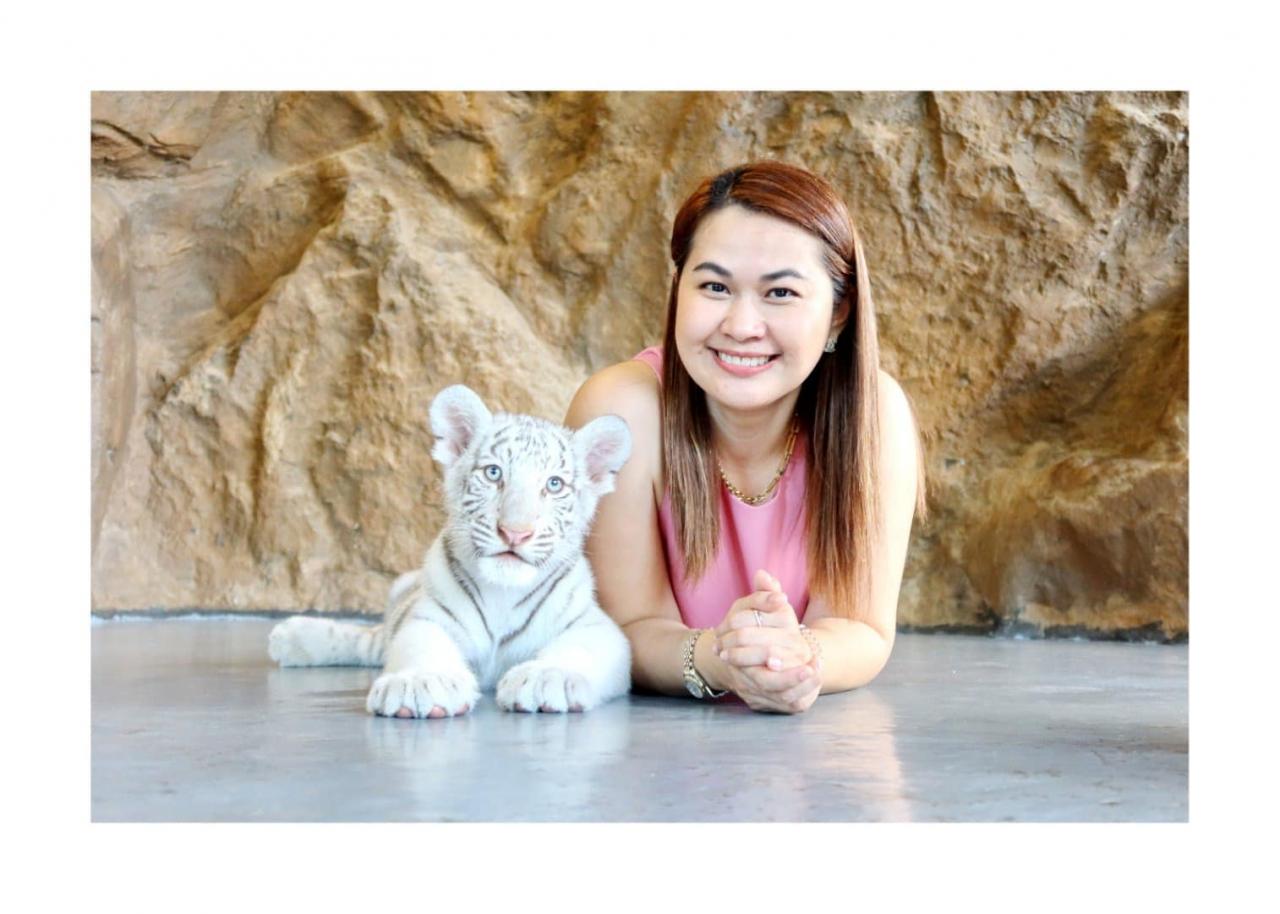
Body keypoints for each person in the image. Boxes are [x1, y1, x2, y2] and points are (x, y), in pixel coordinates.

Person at [564, 161, 928, 714]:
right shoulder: (620, 411)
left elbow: (860, 627)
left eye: (780, 292)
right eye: (715, 286)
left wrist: (795, 659)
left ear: (838, 312)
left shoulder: (874, 417)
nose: (740, 326)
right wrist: (720, 659)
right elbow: (626, 625)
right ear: (678, 289)